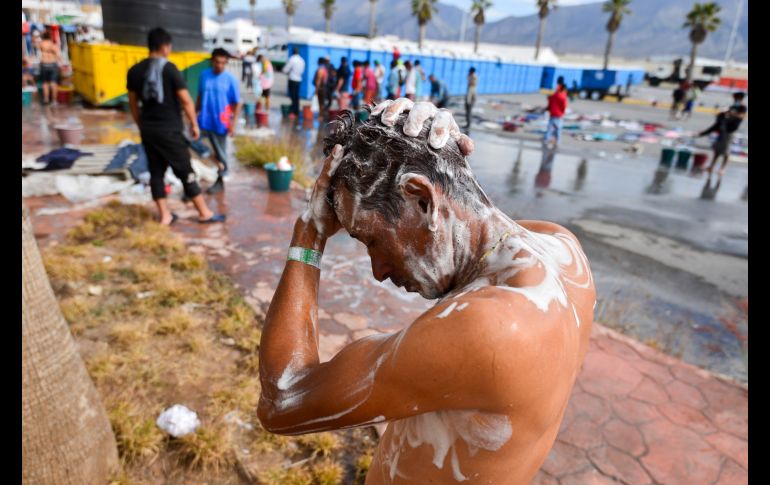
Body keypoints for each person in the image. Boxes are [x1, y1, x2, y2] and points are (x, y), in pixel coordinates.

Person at [257, 98, 595, 484]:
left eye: (372, 240)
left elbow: (281, 401)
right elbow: (471, 213)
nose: (378, 271)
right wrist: (434, 151)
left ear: (422, 199)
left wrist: (309, 233)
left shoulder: (486, 330)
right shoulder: (561, 246)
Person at [126, 27, 225, 225]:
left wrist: (142, 125)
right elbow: (186, 101)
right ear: (165, 47)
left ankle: (165, 216)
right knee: (185, 170)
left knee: (156, 171)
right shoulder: (170, 69)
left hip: (148, 129)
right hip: (170, 130)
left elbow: (133, 104)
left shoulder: (134, 71)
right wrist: (194, 124)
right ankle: (204, 213)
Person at [196, 47, 242, 194]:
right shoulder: (204, 75)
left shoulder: (230, 80)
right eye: (217, 62)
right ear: (212, 61)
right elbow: (199, 96)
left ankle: (220, 180)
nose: (220, 65)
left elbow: (237, 103)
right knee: (191, 141)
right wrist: (193, 116)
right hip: (203, 120)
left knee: (221, 152)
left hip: (221, 123)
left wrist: (233, 124)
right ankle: (210, 163)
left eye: (223, 62)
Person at [698, 104, 747, 177]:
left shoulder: (739, 113)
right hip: (722, 132)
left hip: (729, 134)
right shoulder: (729, 113)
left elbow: (740, 116)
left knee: (726, 151)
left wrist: (732, 113)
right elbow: (716, 125)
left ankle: (722, 169)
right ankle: (711, 166)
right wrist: (702, 133)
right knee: (717, 150)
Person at [38, 31, 61, 105]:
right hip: (52, 64)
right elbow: (58, 55)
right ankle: (54, 100)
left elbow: (36, 46)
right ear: (50, 36)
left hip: (44, 64)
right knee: (53, 83)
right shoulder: (52, 44)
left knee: (45, 83)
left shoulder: (41, 44)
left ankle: (46, 99)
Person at [544, 76, 567, 149]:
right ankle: (558, 141)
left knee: (550, 128)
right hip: (559, 114)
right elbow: (564, 105)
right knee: (558, 129)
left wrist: (548, 108)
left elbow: (549, 100)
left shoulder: (554, 94)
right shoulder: (562, 94)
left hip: (553, 113)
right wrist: (562, 112)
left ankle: (547, 139)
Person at [283, 47, 306, 118]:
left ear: (293, 52)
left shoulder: (292, 59)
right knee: (296, 96)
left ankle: (293, 111)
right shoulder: (302, 60)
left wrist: (286, 71)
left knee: (292, 95)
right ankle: (297, 111)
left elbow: (285, 70)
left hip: (292, 79)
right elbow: (302, 71)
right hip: (299, 79)